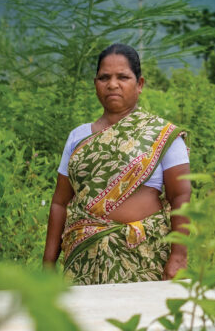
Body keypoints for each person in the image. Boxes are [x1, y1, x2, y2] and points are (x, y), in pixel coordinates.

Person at [42, 43, 191, 284]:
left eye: (123, 77)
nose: (112, 84)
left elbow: (181, 197)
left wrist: (178, 256)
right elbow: (60, 203)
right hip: (82, 259)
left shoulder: (162, 135)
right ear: (95, 84)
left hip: (143, 257)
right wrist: (48, 264)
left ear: (139, 84)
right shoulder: (77, 137)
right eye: (104, 77)